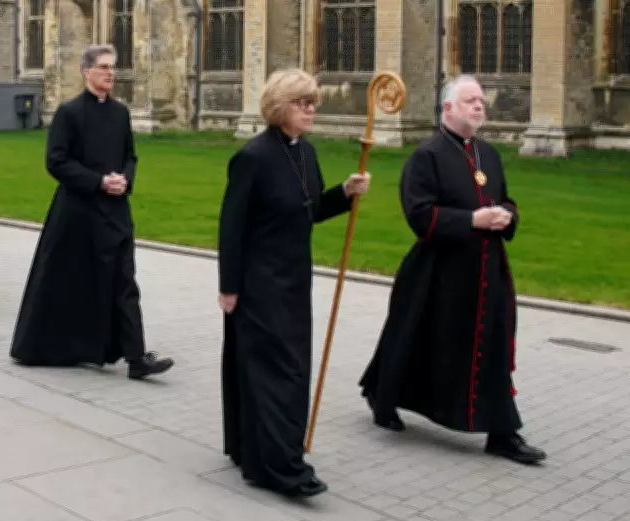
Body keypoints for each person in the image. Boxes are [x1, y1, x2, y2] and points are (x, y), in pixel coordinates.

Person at [358, 75, 546, 465]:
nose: (480, 106)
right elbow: (419, 214)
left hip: (487, 272)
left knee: (492, 345)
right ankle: (383, 395)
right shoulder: (426, 156)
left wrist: (505, 216)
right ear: (447, 108)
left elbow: (507, 200)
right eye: (470, 100)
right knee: (415, 338)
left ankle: (502, 432)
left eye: (481, 100)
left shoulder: (488, 155)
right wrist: (472, 220)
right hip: (437, 274)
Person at [218, 68, 372, 498]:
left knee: (291, 366)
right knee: (274, 371)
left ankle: (258, 448)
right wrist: (229, 286)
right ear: (279, 106)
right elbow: (231, 226)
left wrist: (345, 191)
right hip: (257, 285)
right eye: (303, 103)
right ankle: (280, 467)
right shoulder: (252, 157)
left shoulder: (305, 153)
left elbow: (309, 210)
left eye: (313, 104)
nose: (311, 111)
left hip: (294, 281)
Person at [9, 44, 173, 380]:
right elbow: (56, 161)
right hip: (78, 213)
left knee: (124, 280)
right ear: (86, 71)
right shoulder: (69, 113)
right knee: (71, 280)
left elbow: (130, 155)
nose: (111, 72)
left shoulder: (120, 113)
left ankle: (137, 357)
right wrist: (98, 181)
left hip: (115, 210)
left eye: (113, 67)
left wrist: (125, 179)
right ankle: (62, 346)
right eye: (103, 67)